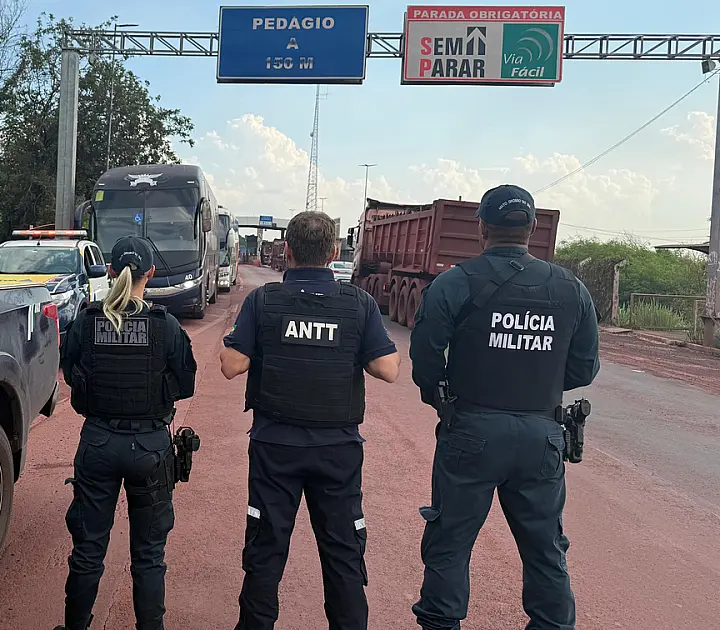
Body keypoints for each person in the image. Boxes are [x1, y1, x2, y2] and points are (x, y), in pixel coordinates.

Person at [409, 184, 600, 630]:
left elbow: (425, 364)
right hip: (542, 437)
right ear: (532, 228)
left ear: (482, 229)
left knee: (450, 543)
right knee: (545, 549)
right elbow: (583, 370)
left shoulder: (455, 282)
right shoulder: (571, 288)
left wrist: (448, 396)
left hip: (471, 430)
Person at [219, 211, 401, 630]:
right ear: (334, 252)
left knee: (265, 553)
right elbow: (388, 369)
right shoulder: (359, 304)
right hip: (337, 452)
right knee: (343, 557)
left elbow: (231, 365)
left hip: (274, 449)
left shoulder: (263, 301)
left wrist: (239, 334)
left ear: (287, 251)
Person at [57, 235, 198, 630]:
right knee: (150, 555)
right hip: (151, 448)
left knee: (87, 551)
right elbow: (185, 384)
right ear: (150, 274)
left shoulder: (86, 321)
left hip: (98, 443)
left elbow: (71, 375)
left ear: (111, 272)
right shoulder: (166, 326)